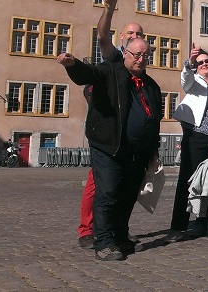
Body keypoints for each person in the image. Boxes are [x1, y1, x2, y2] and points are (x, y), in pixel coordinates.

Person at [58, 37, 162, 261]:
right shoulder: (110, 72)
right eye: (136, 55)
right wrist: (72, 65)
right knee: (108, 194)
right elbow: (88, 73)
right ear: (125, 52)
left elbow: (155, 119)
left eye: (145, 55)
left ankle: (120, 235)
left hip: (137, 152)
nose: (141, 60)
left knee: (127, 196)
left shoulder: (151, 85)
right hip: (109, 147)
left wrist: (154, 149)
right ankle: (103, 242)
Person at [78, 0, 145, 249]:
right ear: (122, 38)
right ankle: (87, 229)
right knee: (98, 185)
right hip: (108, 135)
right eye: (130, 32)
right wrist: (109, 7)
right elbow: (102, 36)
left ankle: (116, 231)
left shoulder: (140, 63)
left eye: (138, 33)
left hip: (128, 138)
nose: (134, 35)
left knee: (121, 188)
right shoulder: (116, 58)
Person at [164, 45, 208, 243]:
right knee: (187, 180)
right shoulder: (194, 81)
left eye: (206, 61)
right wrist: (189, 64)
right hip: (196, 136)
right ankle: (178, 226)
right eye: (199, 63)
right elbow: (185, 78)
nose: (204, 64)